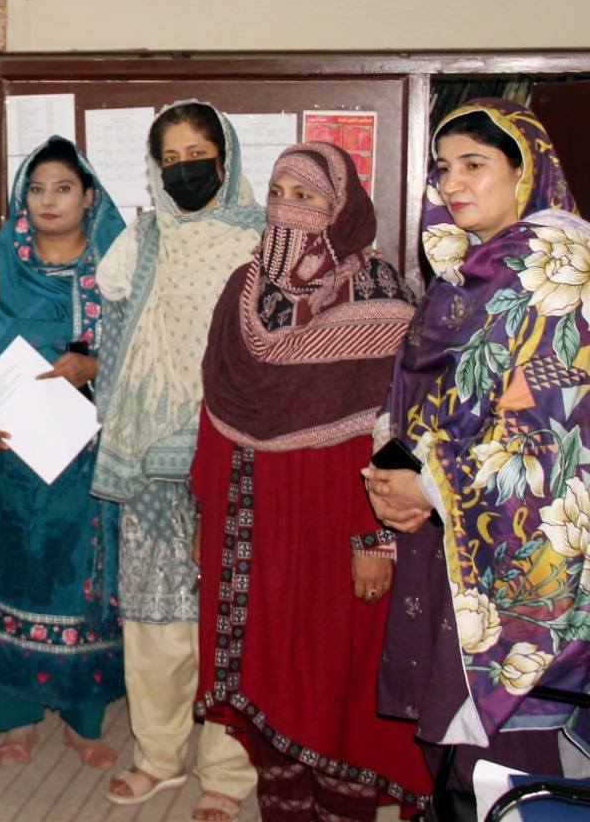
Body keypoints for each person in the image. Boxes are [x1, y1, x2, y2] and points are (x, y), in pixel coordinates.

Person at [364, 99, 590, 795]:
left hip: (526, 547)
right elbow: (435, 395)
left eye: (475, 164)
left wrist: (430, 484)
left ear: (526, 172)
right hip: (459, 531)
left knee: (508, 768)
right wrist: (399, 474)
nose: (452, 183)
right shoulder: (471, 273)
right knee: (455, 761)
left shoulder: (559, 265)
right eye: (443, 167)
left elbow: (557, 427)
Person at [191, 142, 430, 820]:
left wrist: (375, 539)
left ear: (342, 209)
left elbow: (400, 429)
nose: (287, 209)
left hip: (339, 525)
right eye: (278, 194)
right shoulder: (243, 293)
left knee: (335, 682)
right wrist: (208, 518)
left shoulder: (381, 298)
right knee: (265, 675)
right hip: (252, 527)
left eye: (308, 198)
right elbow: (216, 406)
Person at [91, 100, 264, 821]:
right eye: (171, 159)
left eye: (198, 155)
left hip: (239, 450)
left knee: (233, 616)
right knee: (155, 616)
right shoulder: (143, 239)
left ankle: (227, 770)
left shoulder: (267, 241)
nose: (184, 169)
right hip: (153, 453)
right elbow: (111, 325)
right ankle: (158, 756)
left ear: (227, 157)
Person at [0, 136, 127, 771]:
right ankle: (14, 716)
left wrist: (94, 364)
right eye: (37, 189)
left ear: (88, 196)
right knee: (11, 571)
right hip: (12, 455)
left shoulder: (118, 267)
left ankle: (82, 719)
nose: (49, 200)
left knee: (85, 583)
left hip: (91, 458)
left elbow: (146, 350)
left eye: (63, 188)